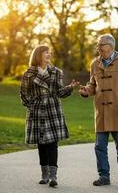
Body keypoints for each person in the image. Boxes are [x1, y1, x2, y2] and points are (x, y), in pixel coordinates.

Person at [79, 34, 118, 186]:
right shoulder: (94, 64)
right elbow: (93, 85)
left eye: (101, 45)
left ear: (111, 46)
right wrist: (87, 91)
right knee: (99, 146)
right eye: (97, 45)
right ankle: (104, 176)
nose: (98, 48)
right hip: (101, 112)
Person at [20, 45, 79, 187]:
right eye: (46, 52)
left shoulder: (56, 72)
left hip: (53, 111)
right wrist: (32, 105)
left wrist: (70, 88)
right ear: (38, 55)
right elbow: (23, 94)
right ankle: (44, 174)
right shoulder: (28, 74)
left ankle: (53, 176)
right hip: (37, 112)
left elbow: (59, 92)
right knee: (42, 145)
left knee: (52, 144)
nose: (49, 54)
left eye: (49, 52)